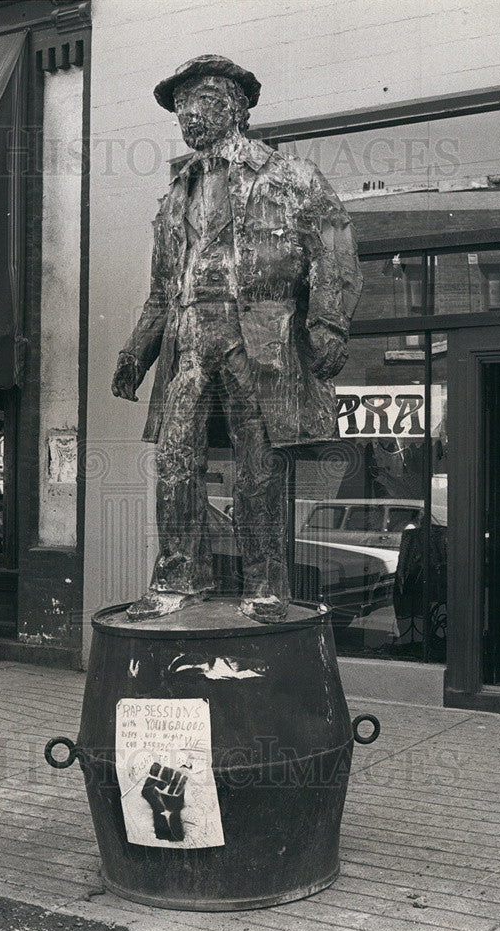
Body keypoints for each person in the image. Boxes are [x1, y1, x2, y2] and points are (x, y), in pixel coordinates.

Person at [112, 55, 362, 623]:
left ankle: (266, 585)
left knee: (260, 464)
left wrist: (328, 324)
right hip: (191, 339)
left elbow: (334, 252)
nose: (188, 115)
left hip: (262, 341)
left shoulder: (290, 177)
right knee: (176, 457)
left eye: (200, 100)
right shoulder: (177, 196)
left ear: (237, 106)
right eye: (180, 106)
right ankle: (179, 577)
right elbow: (160, 289)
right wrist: (136, 351)